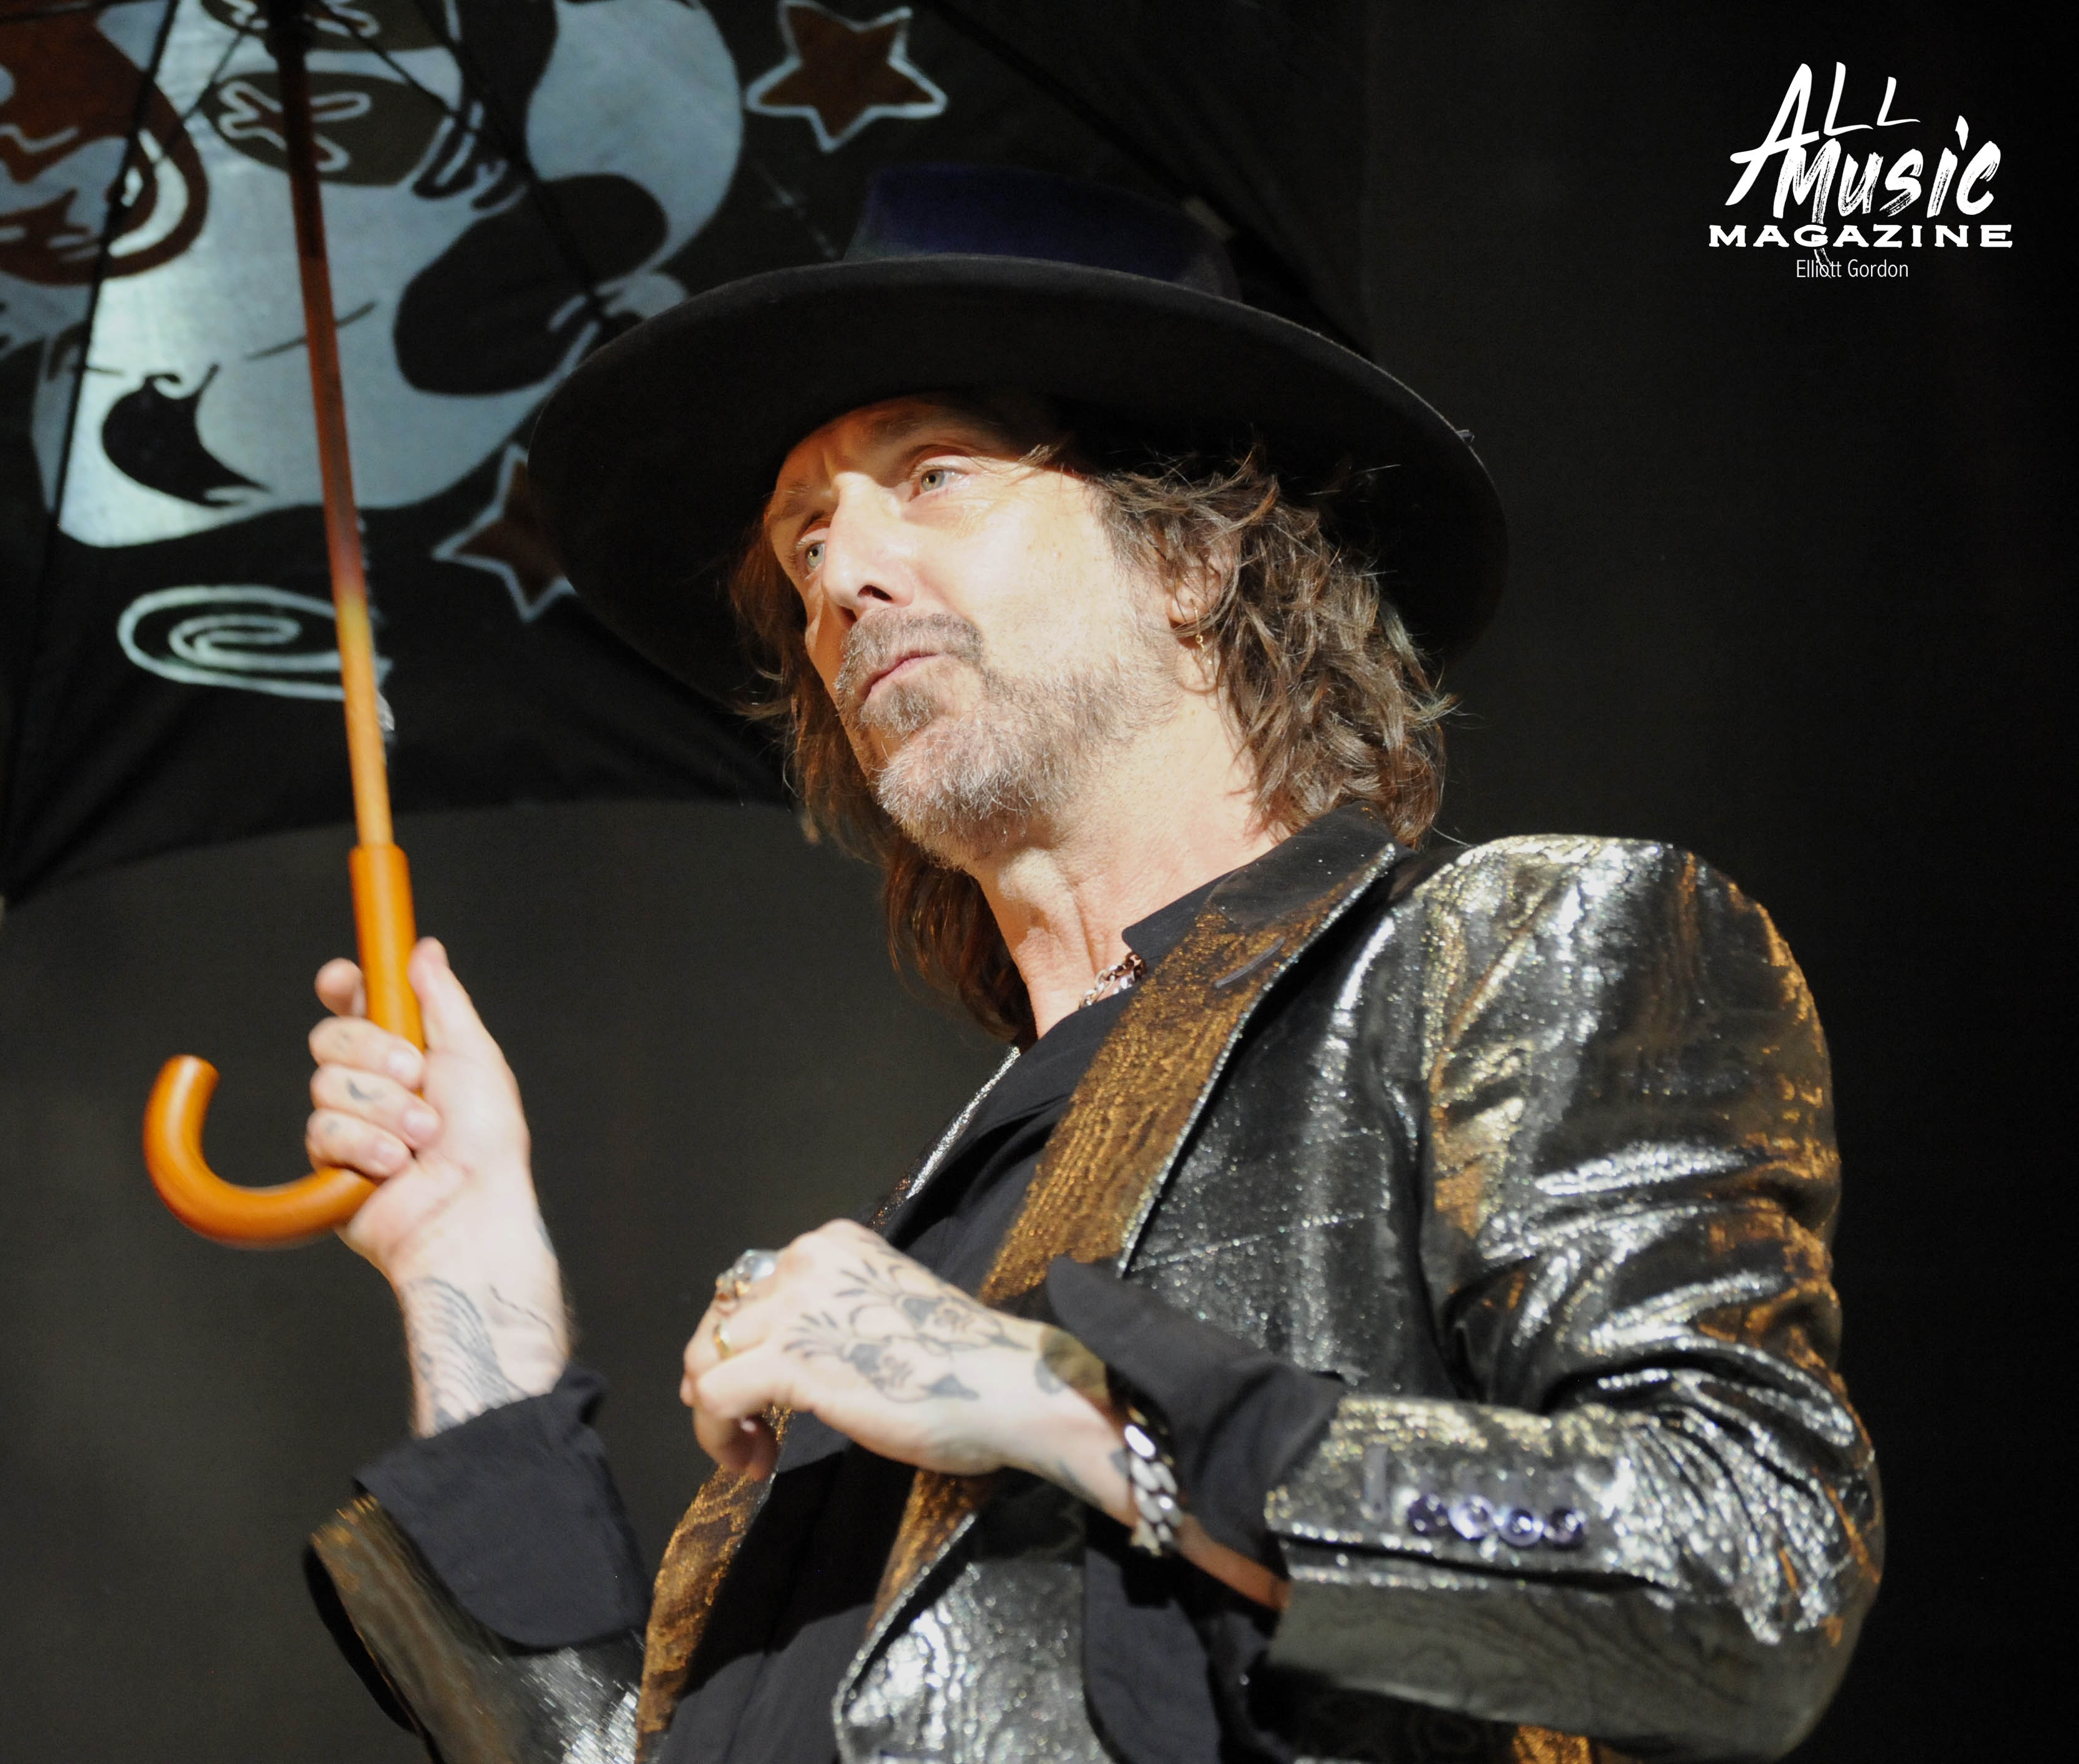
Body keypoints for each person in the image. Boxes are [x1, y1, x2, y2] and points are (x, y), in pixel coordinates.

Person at [295, 167, 1880, 1764]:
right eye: (804, 538)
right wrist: (469, 1287)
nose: (839, 576)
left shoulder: (1505, 956)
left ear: (1195, 552)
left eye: (934, 476)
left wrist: (1072, 1407)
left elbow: (1740, 1577)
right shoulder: (936, 1222)